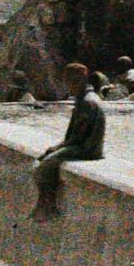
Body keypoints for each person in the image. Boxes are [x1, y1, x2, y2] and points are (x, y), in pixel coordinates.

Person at [31, 64, 106, 220]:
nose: (67, 85)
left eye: (69, 81)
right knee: (41, 162)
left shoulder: (87, 102)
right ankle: (44, 204)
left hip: (87, 149)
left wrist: (57, 147)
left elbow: (78, 137)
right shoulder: (84, 99)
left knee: (43, 167)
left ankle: (48, 206)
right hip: (83, 145)